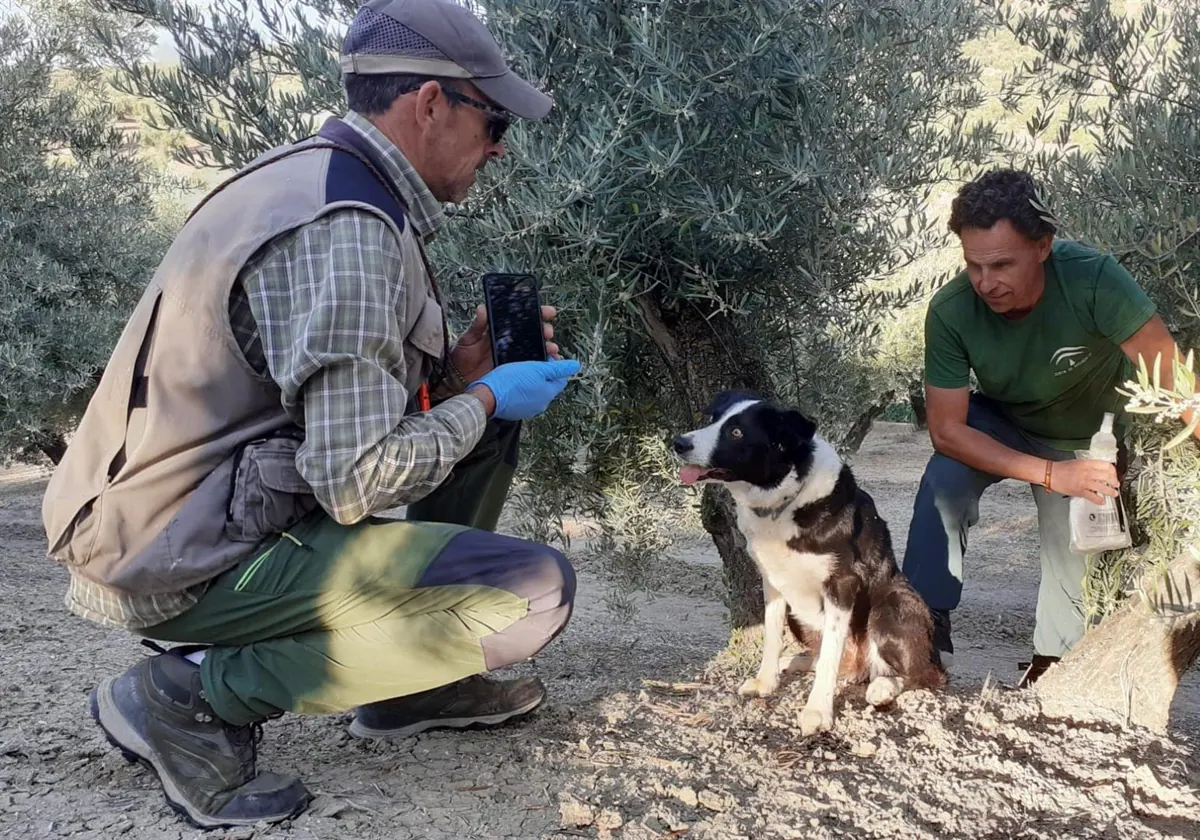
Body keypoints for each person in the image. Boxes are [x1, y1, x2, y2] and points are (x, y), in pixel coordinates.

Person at [40, 0, 580, 828]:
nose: (501, 145)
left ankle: (414, 688)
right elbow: (353, 477)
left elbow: (322, 411)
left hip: (174, 518)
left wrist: (462, 380)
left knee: (485, 422)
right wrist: (482, 397)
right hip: (175, 555)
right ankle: (188, 697)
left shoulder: (315, 179)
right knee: (534, 594)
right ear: (430, 103)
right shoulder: (348, 229)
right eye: (494, 117)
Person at [900, 167, 1197, 687]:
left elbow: (1178, 387)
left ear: (1043, 246)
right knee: (945, 479)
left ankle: (1051, 671)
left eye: (1001, 264)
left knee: (1074, 547)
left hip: (1097, 435)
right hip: (1006, 423)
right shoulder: (950, 311)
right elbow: (947, 430)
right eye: (973, 266)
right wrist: (1049, 473)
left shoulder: (1094, 279)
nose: (986, 282)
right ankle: (918, 635)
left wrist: (1076, 471)